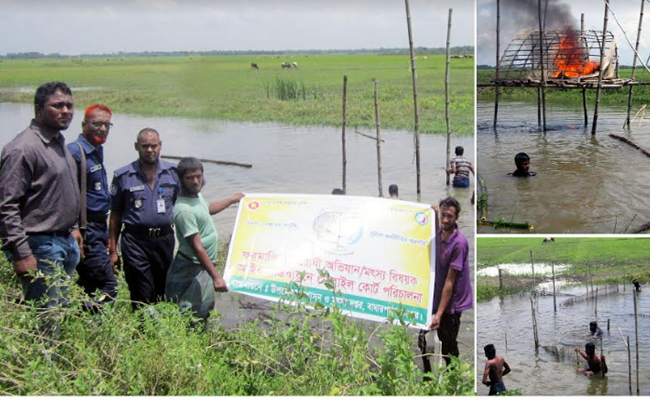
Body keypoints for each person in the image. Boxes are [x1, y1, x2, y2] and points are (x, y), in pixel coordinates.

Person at [0, 81, 83, 308]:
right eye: (58, 106)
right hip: (40, 245)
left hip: (63, 240)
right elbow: (6, 206)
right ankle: (42, 345)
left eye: (69, 105)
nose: (66, 111)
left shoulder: (58, 142)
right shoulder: (22, 148)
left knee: (60, 309)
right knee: (46, 314)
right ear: (38, 109)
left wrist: (73, 227)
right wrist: (22, 254)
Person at [108, 128, 179, 309]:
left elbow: (183, 207)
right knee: (141, 292)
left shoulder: (173, 173)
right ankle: (142, 331)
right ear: (136, 147)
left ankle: (159, 333)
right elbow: (115, 215)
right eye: (145, 146)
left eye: (153, 146)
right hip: (135, 241)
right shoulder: (123, 176)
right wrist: (113, 250)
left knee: (163, 292)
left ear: (160, 146)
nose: (149, 150)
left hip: (164, 240)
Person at [165, 157, 244, 319]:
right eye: (190, 178)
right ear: (180, 180)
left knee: (202, 307)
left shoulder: (196, 197)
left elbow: (207, 209)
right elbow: (197, 247)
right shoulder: (184, 210)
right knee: (190, 311)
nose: (196, 181)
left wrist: (231, 200)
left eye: (198, 176)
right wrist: (216, 277)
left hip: (201, 265)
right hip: (191, 266)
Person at [67, 104, 118, 308]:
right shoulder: (75, 152)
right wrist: (74, 229)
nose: (103, 128)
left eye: (107, 124)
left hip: (98, 227)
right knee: (108, 285)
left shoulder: (97, 150)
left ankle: (81, 321)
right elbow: (65, 195)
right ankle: (95, 325)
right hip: (84, 229)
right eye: (97, 123)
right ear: (84, 124)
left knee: (89, 283)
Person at [428, 196, 473, 366]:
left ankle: (453, 382)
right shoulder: (440, 233)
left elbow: (450, 282)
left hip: (452, 302)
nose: (445, 220)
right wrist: (433, 214)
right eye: (443, 215)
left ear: (457, 218)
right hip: (436, 297)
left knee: (448, 347)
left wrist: (439, 314)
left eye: (450, 216)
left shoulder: (459, 243)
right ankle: (428, 378)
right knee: (423, 341)